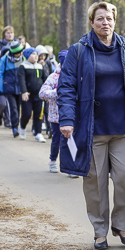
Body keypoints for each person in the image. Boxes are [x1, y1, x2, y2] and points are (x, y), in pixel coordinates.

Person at [58, 1, 125, 250]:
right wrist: (66, 119)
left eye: (109, 18)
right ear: (91, 22)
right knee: (95, 182)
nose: (105, 23)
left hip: (123, 128)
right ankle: (99, 231)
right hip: (92, 129)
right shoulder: (79, 50)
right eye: (100, 19)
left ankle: (120, 225)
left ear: (114, 21)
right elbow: (66, 86)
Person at [39, 49, 79, 178]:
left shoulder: (76, 75)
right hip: (56, 116)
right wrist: (57, 92)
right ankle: (52, 160)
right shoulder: (54, 77)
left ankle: (71, 167)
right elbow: (42, 92)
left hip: (72, 115)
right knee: (57, 140)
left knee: (71, 141)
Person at [0, 40, 26, 138]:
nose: (20, 54)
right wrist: (0, 89)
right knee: (13, 108)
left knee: (18, 108)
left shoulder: (23, 59)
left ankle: (18, 125)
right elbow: (0, 74)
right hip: (9, 88)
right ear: (13, 53)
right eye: (18, 53)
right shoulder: (4, 60)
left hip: (20, 88)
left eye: (21, 52)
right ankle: (14, 128)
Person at [18, 47, 46, 142]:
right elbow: (21, 80)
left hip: (38, 95)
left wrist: (45, 92)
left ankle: (38, 133)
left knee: (39, 114)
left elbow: (44, 79)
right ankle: (22, 127)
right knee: (27, 114)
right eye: (33, 54)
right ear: (27, 56)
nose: (36, 56)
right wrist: (24, 92)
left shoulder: (40, 67)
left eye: (36, 54)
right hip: (27, 95)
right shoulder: (23, 66)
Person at [0, 26, 15, 127]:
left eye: (11, 33)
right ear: (4, 34)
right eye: (8, 33)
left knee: (10, 103)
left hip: (11, 80)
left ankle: (8, 121)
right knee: (3, 104)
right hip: (1, 80)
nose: (10, 35)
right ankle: (2, 116)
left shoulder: (16, 45)